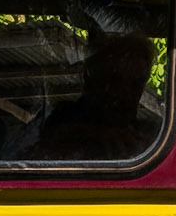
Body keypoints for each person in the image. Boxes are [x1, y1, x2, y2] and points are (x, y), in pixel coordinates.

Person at [41, 31, 162, 159]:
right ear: (91, 79)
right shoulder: (61, 118)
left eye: (136, 83)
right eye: (115, 81)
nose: (126, 94)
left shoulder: (152, 138)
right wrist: (92, 134)